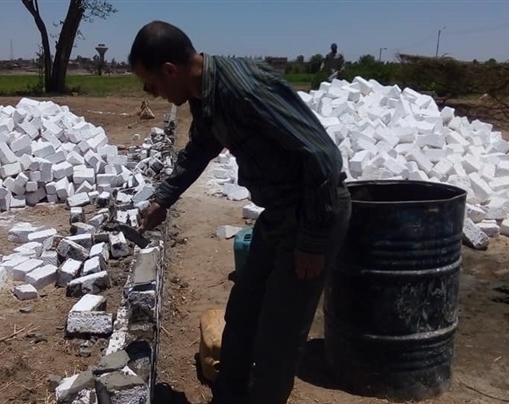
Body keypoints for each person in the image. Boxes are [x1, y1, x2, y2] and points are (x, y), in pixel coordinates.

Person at [128, 21, 351, 404]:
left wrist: (313, 241)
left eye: (152, 85)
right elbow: (201, 148)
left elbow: (323, 157)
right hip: (279, 214)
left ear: (169, 70)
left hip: (313, 212)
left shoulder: (243, 91)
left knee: (277, 339)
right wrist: (162, 199)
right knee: (243, 314)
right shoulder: (204, 94)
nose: (155, 94)